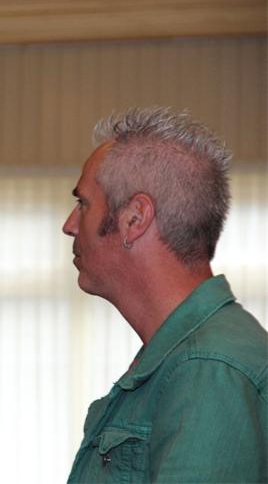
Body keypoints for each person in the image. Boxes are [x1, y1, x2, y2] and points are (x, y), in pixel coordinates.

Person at [63, 107, 267, 483]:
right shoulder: (184, 358)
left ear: (134, 219)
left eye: (84, 204)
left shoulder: (208, 369)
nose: (70, 225)